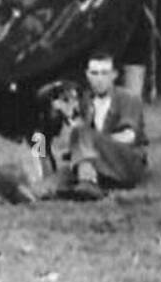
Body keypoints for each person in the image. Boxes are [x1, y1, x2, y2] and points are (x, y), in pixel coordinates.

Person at [57, 48, 148, 199]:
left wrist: (95, 140)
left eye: (105, 73)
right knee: (61, 173)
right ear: (87, 75)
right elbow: (75, 140)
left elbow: (129, 136)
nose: (99, 79)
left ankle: (87, 181)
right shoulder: (86, 101)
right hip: (98, 160)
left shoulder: (128, 98)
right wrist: (68, 115)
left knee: (82, 133)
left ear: (114, 75)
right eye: (94, 73)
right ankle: (37, 192)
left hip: (127, 161)